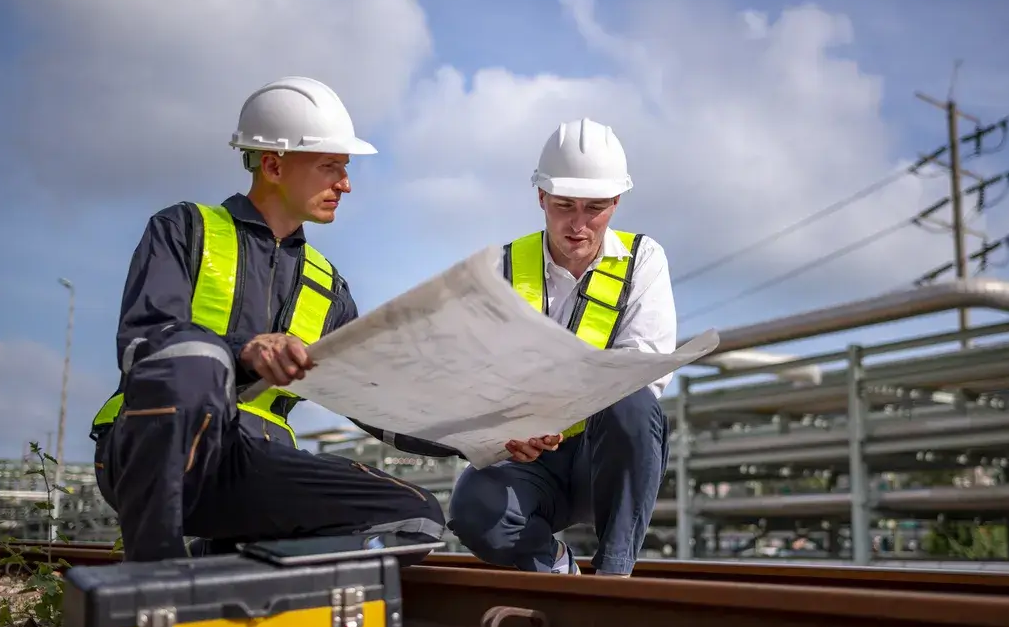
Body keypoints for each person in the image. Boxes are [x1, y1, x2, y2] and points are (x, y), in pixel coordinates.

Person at [89, 76, 454, 563]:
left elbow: (376, 401)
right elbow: (145, 343)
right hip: (153, 451)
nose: (345, 184)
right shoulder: (185, 230)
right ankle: (154, 575)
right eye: (329, 167)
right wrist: (242, 350)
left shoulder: (327, 287)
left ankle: (235, 565)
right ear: (273, 165)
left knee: (416, 517)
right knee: (196, 356)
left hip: (254, 468)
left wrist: (483, 438)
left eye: (345, 169)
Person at [447, 118, 677, 576]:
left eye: (595, 208)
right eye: (564, 205)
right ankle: (555, 567)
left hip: (603, 457)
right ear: (541, 197)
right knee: (474, 507)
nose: (578, 224)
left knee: (632, 398)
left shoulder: (642, 261)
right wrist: (513, 430)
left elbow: (643, 368)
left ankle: (613, 577)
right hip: (530, 462)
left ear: (616, 202)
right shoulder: (503, 268)